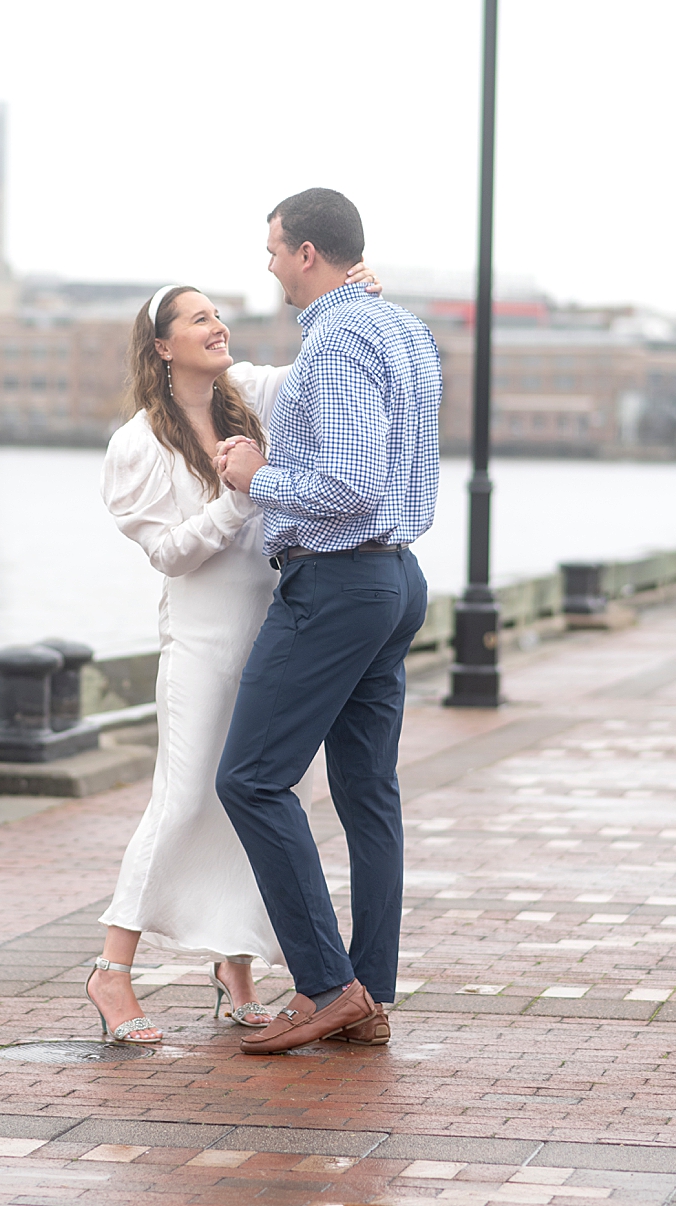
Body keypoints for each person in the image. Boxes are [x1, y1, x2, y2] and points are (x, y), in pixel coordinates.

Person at [88, 263, 381, 1044]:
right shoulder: (138, 443)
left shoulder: (250, 396)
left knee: (266, 800)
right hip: (202, 646)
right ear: (160, 346)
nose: (218, 326)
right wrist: (235, 500)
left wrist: (356, 300)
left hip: (276, 634)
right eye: (197, 319)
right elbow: (172, 555)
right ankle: (112, 972)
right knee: (183, 799)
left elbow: (321, 364)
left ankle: (237, 966)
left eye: (218, 314)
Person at [214, 187, 442, 1056]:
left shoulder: (341, 342)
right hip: (393, 580)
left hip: (339, 583)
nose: (269, 265)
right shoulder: (401, 330)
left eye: (274, 249)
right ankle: (367, 997)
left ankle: (325, 986)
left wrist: (253, 475)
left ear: (308, 252)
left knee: (253, 780)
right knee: (367, 797)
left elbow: (347, 483)